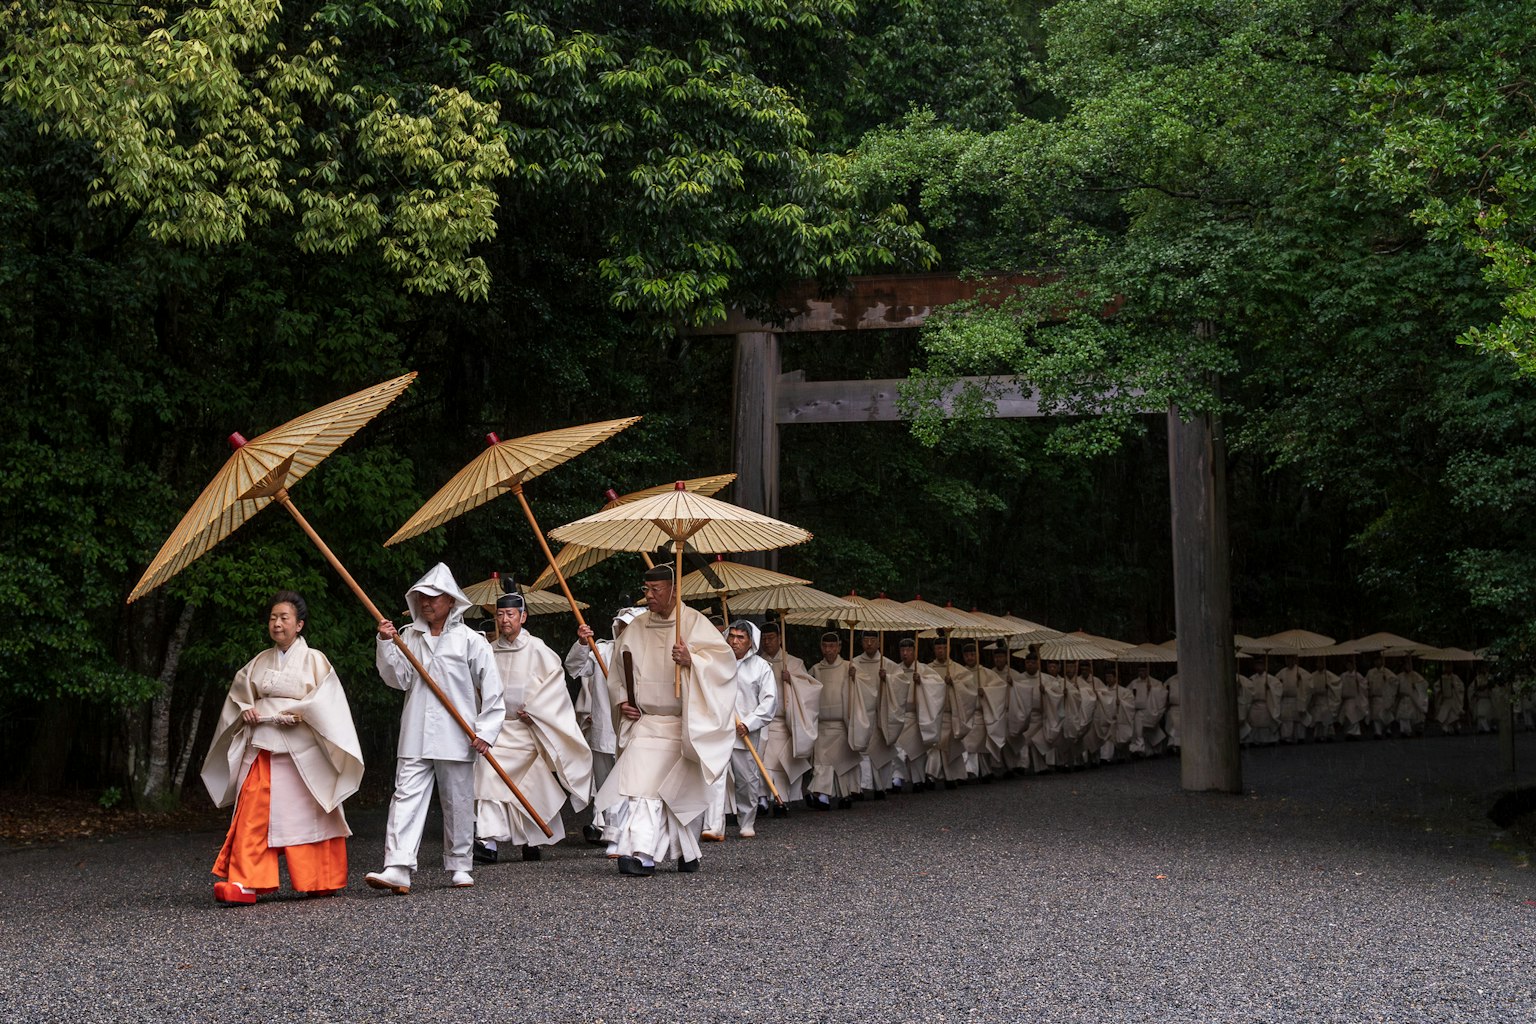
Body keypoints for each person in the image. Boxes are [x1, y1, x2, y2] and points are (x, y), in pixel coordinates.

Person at [203, 591, 363, 905]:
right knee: (253, 811)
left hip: (303, 749)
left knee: (312, 812)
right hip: (264, 743)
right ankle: (245, 881)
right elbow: (239, 696)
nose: (277, 624)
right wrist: (246, 709)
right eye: (273, 618)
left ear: (299, 624)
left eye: (284, 618)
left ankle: (321, 878)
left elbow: (327, 701)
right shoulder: (259, 661)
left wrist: (302, 713)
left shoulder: (315, 659)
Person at [366, 563, 505, 894]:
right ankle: (398, 865)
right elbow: (397, 679)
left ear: (450, 601)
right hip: (415, 730)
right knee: (405, 797)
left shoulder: (471, 640)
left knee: (457, 800)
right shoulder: (407, 637)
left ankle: (460, 863)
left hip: (457, 733)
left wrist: (486, 730)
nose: (426, 604)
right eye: (421, 598)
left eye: (433, 598)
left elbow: (493, 687)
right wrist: (386, 643)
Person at [592, 563, 736, 876]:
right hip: (646, 723)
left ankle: (680, 852)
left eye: (656, 590)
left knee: (667, 793)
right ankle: (642, 853)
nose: (650, 596)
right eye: (647, 590)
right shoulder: (637, 626)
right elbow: (619, 671)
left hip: (682, 724)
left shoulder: (694, 623)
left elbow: (724, 667)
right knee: (641, 788)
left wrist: (692, 660)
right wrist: (624, 702)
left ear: (673, 590)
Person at [474, 591, 593, 863]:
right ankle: (488, 841)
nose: (505, 620)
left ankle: (533, 840)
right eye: (500, 615)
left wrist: (537, 713)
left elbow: (555, 686)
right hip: (498, 730)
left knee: (531, 784)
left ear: (523, 617)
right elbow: (478, 687)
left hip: (528, 729)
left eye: (510, 615)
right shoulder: (488, 651)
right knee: (487, 777)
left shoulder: (538, 649)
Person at [568, 606, 645, 842]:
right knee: (605, 785)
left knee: (629, 783)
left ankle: (619, 834)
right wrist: (582, 644)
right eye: (621, 625)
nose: (624, 629)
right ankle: (613, 831)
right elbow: (574, 667)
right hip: (604, 729)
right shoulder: (600, 650)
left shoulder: (650, 653)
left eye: (629, 626)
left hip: (635, 728)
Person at [702, 620, 778, 839]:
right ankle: (714, 825)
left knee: (746, 781)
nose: (734, 641)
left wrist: (749, 723)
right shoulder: (717, 663)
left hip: (745, 732)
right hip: (719, 731)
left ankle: (747, 821)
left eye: (740, 638)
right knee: (715, 779)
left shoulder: (761, 667)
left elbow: (769, 700)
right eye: (732, 636)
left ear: (750, 642)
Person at [757, 621, 821, 812]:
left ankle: (781, 801)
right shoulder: (757, 662)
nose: (767, 642)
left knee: (779, 765)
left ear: (780, 639)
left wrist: (792, 680)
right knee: (763, 763)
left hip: (784, 723)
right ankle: (762, 799)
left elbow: (811, 689)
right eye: (764, 639)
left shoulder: (793, 662)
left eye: (771, 638)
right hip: (763, 723)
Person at [809, 631, 870, 808]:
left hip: (841, 724)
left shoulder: (849, 667)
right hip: (822, 725)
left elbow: (868, 690)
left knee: (842, 760)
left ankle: (846, 793)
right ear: (821, 647)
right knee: (822, 761)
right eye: (825, 646)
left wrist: (855, 678)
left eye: (832, 646)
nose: (829, 650)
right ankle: (822, 796)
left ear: (839, 647)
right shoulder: (816, 669)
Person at [852, 630, 901, 797]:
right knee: (862, 750)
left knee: (881, 749)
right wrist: (852, 678)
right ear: (862, 643)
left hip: (882, 712)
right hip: (862, 713)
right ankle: (862, 786)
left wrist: (888, 679)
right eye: (866, 640)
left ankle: (882, 786)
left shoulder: (889, 665)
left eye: (873, 640)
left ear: (879, 642)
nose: (870, 644)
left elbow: (901, 684)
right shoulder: (853, 663)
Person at [892, 637, 944, 790]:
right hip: (900, 715)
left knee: (917, 751)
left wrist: (922, 681)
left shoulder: (923, 669)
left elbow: (938, 685)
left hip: (916, 715)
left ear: (914, 651)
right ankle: (898, 778)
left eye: (908, 650)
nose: (905, 653)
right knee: (899, 749)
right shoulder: (895, 670)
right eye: (902, 650)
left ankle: (918, 779)